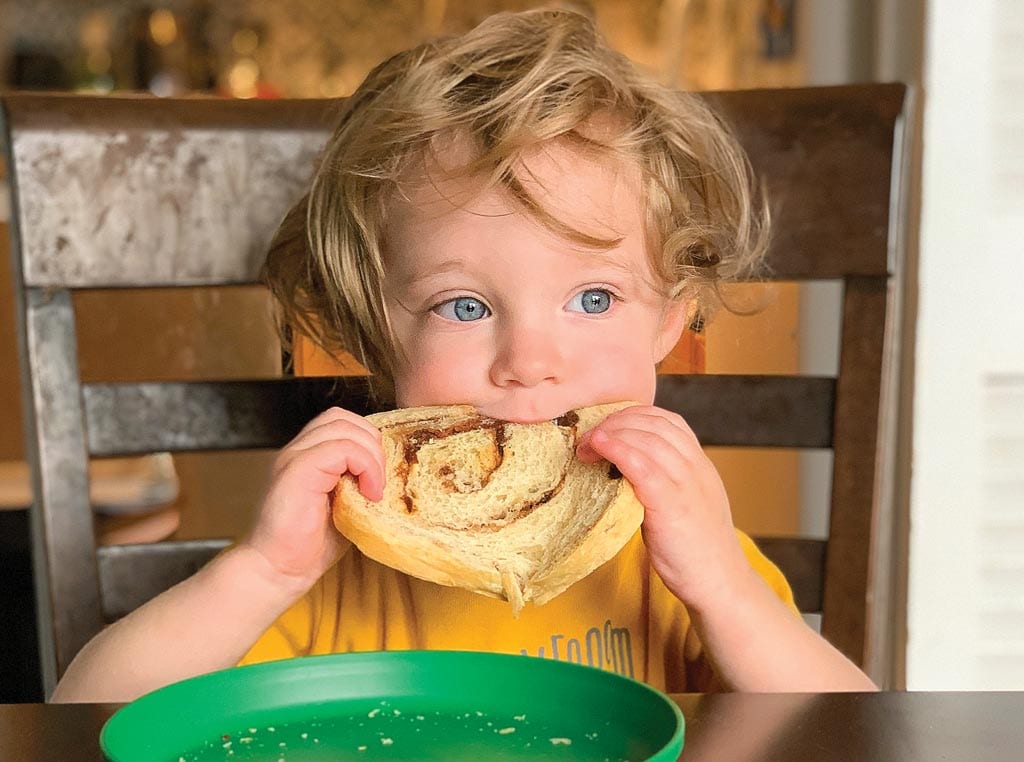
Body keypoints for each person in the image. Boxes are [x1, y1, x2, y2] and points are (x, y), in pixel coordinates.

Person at [53, 8, 875, 702]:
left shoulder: (683, 554)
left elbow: (850, 732)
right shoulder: (339, 556)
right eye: (465, 306)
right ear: (377, 333)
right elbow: (84, 716)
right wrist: (263, 570)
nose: (528, 361)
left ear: (671, 321)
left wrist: (724, 592)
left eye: (594, 299)